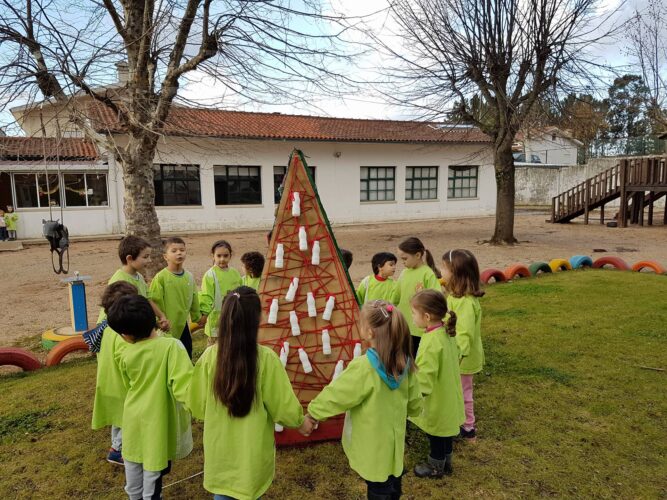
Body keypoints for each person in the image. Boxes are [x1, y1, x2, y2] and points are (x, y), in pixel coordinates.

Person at [189, 286, 310, 499]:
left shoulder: (209, 357)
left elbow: (197, 404)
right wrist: (301, 422)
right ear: (257, 319)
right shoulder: (267, 360)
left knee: (223, 494)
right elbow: (283, 406)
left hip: (220, 453)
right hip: (252, 455)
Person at [307, 300, 422, 500]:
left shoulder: (363, 368)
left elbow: (337, 394)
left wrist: (313, 413)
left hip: (372, 452)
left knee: (377, 490)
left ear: (369, 333)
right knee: (393, 486)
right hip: (394, 452)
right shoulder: (405, 364)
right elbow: (414, 404)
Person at [109, 294, 194, 500]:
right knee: (153, 474)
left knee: (133, 465)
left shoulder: (125, 353)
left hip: (132, 417)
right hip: (157, 418)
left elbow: (126, 383)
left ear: (126, 335)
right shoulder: (171, 347)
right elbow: (186, 387)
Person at [409, 289, 464, 478]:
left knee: (436, 432)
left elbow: (425, 375)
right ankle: (447, 461)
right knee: (445, 430)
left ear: (426, 316)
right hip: (448, 390)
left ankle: (436, 466)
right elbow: (457, 355)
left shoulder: (431, 341)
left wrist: (415, 395)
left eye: (413, 314)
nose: (412, 318)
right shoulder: (445, 332)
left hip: (437, 396)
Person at [90, 281, 139, 466]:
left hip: (109, 381)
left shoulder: (107, 327)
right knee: (126, 419)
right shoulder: (122, 334)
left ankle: (116, 447)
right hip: (121, 383)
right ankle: (119, 450)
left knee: (118, 418)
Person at [441, 249, 485, 441]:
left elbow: (464, 334)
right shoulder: (454, 297)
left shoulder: (466, 303)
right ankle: (459, 420)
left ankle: (468, 428)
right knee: (456, 390)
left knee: (464, 392)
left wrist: (457, 356)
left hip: (463, 358)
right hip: (454, 354)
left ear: (455, 273)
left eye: (444, 268)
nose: (441, 272)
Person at [150, 237, 201, 358]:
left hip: (183, 326)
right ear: (165, 256)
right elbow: (154, 301)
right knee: (168, 358)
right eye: (174, 251)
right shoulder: (160, 278)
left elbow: (194, 299)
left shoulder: (189, 277)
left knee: (186, 356)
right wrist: (160, 321)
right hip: (166, 328)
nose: (179, 253)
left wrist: (197, 317)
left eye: (182, 250)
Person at [109, 235, 169, 331]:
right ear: (129, 259)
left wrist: (161, 316)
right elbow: (120, 314)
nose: (149, 260)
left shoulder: (139, 276)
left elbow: (147, 299)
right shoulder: (120, 281)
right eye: (145, 257)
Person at [396, 237, 441, 355]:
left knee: (418, 360)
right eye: (401, 259)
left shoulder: (427, 273)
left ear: (417, 255)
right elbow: (395, 296)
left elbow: (437, 298)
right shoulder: (404, 273)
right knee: (405, 359)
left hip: (420, 328)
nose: (403, 262)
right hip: (404, 326)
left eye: (405, 258)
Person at [199, 240, 242, 345]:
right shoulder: (210, 275)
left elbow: (240, 292)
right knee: (214, 351)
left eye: (225, 256)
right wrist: (204, 314)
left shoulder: (235, 273)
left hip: (233, 316)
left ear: (230, 256)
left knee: (231, 346)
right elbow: (206, 297)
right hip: (216, 320)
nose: (222, 259)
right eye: (219, 256)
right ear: (213, 256)